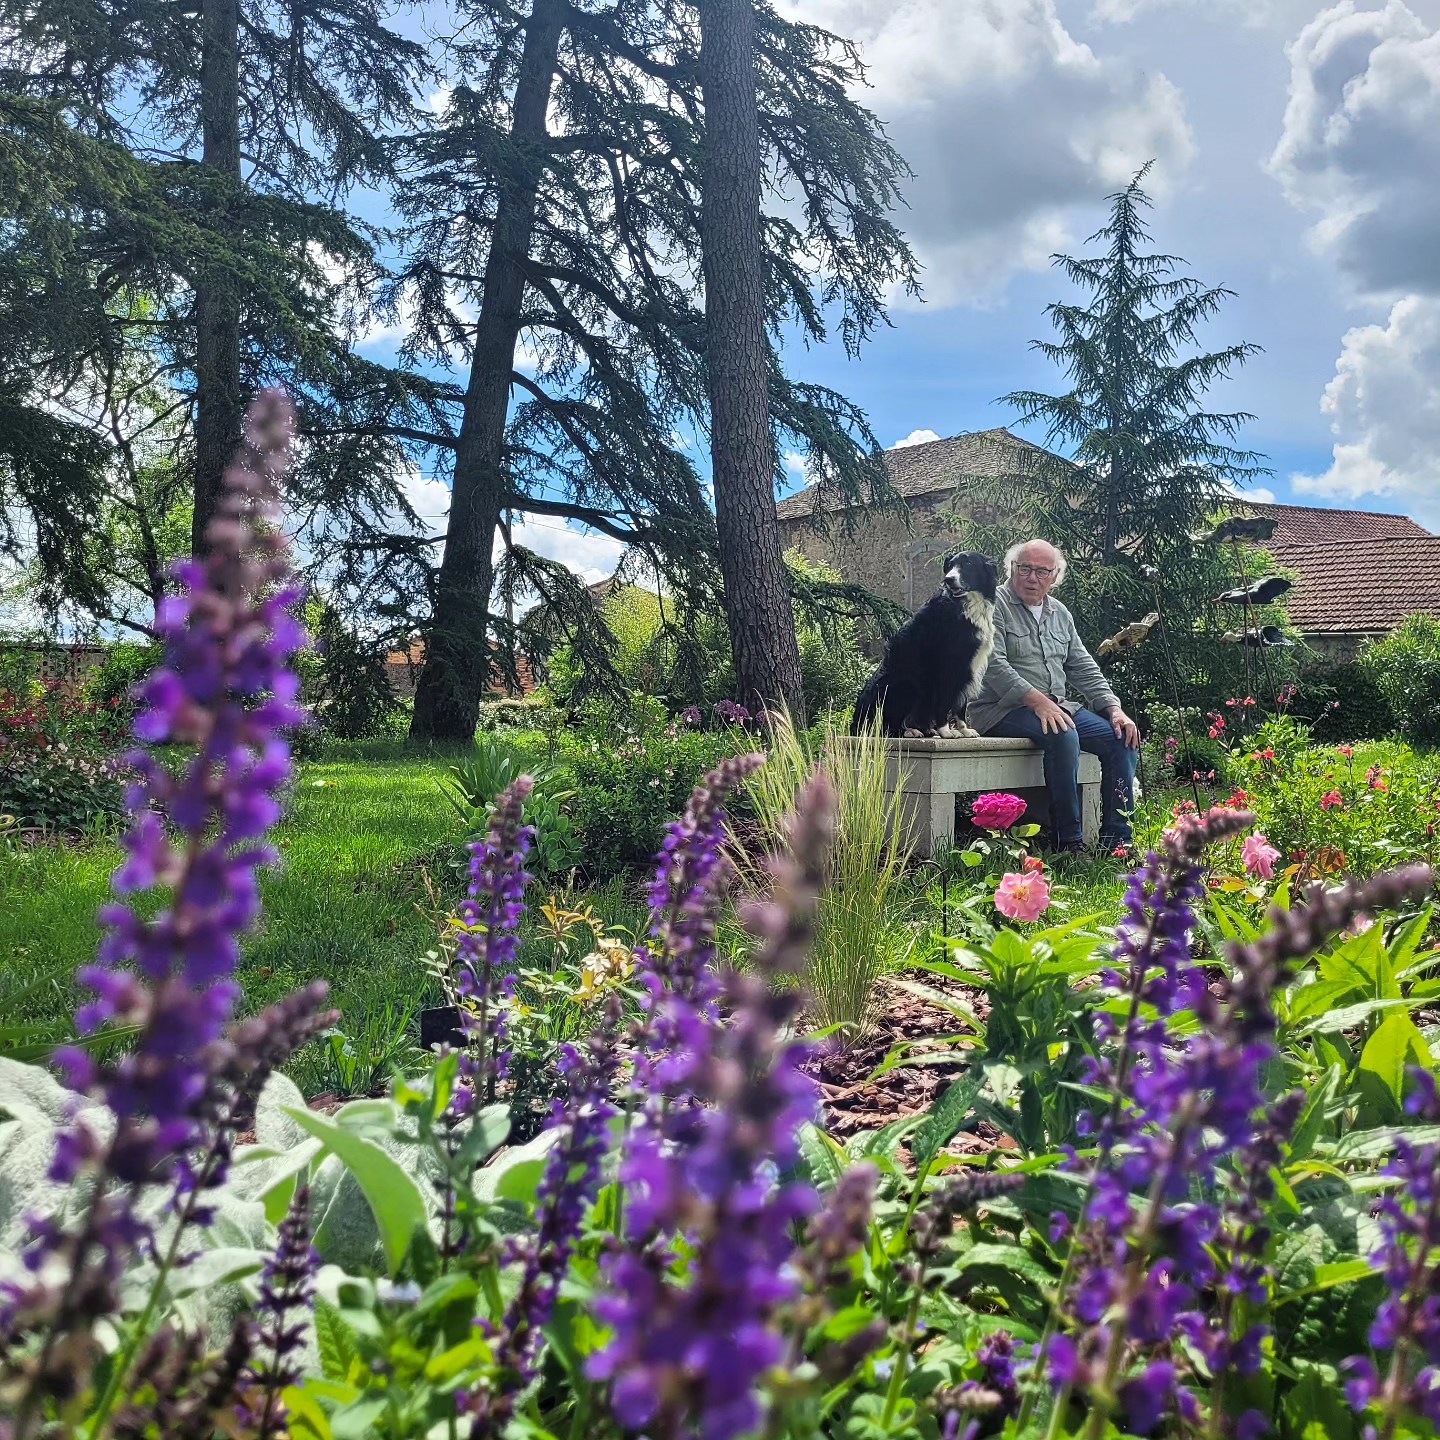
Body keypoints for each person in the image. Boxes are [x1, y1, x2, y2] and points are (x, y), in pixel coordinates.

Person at [968, 539, 1139, 852]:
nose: (1032, 578)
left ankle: (1118, 842)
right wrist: (1038, 702)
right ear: (1011, 569)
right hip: (999, 709)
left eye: (1042, 571)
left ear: (1055, 576)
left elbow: (1083, 666)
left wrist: (1114, 708)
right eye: (1025, 569)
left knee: (1121, 738)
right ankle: (1068, 841)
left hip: (1055, 707)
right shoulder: (992, 605)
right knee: (1063, 733)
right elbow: (993, 664)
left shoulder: (1060, 613)